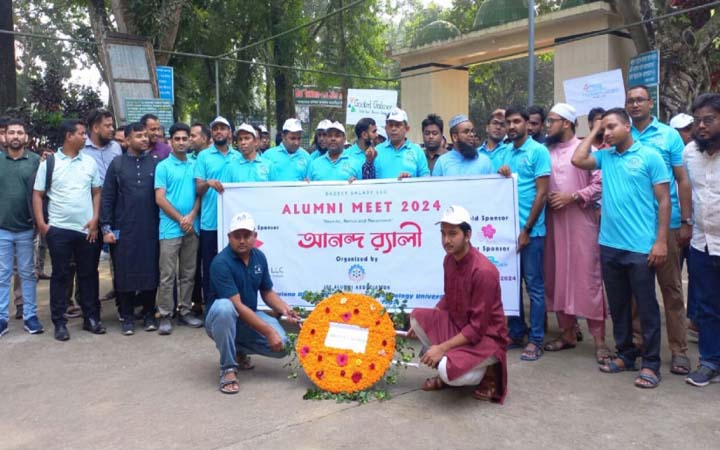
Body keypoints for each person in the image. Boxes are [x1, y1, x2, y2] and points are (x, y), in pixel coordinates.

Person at [572, 108, 670, 389]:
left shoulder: (650, 156)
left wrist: (661, 240)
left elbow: (664, 201)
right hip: (609, 244)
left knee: (647, 307)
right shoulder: (605, 156)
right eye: (605, 128)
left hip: (640, 247)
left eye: (612, 126)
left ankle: (651, 364)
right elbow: (577, 159)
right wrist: (594, 131)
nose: (607, 132)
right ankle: (626, 355)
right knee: (618, 306)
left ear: (628, 126)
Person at [409, 205, 508, 403]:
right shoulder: (449, 260)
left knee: (446, 370)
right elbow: (448, 296)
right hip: (459, 324)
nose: (446, 240)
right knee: (416, 318)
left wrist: (440, 348)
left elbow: (477, 329)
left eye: (453, 234)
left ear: (467, 234)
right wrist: (427, 324)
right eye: (443, 234)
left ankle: (489, 372)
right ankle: (454, 360)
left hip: (486, 338)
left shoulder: (483, 272)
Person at [627, 85, 693, 376]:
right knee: (637, 291)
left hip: (667, 224)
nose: (635, 104)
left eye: (640, 99)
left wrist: (686, 221)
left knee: (671, 289)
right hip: (633, 227)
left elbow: (682, 180)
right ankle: (639, 343)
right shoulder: (622, 136)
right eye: (630, 101)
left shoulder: (668, 135)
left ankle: (679, 350)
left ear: (650, 103)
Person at [204, 212, 301, 394]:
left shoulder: (259, 257)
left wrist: (285, 310)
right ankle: (228, 369)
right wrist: (268, 331)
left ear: (255, 236)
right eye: (237, 236)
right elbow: (237, 307)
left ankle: (238, 349)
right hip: (221, 319)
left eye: (247, 236)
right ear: (229, 237)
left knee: (283, 346)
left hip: (248, 315)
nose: (242, 241)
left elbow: (267, 291)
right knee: (225, 307)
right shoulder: (220, 263)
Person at [541, 104, 608, 361]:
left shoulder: (586, 149)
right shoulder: (545, 152)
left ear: (567, 123)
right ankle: (567, 333)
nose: (548, 126)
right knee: (557, 277)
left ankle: (600, 341)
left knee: (588, 280)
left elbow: (600, 183)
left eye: (552, 121)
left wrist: (573, 196)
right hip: (553, 225)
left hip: (581, 224)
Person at [33, 119, 104, 341]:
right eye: (82, 133)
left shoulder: (89, 163)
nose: (85, 137)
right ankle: (59, 322)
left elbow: (96, 192)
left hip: (86, 230)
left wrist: (95, 220)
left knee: (89, 275)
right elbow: (37, 194)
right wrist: (43, 225)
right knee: (60, 276)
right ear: (68, 136)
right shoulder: (50, 163)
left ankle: (91, 318)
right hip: (59, 229)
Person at [497, 106, 551, 361]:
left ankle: (536, 339)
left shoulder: (538, 151)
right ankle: (516, 332)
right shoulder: (505, 152)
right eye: (508, 122)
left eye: (516, 121)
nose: (511, 126)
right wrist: (502, 174)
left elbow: (542, 193)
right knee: (511, 286)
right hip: (508, 232)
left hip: (532, 231)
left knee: (534, 285)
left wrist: (527, 229)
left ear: (528, 124)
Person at [101, 122, 160, 335]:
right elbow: (107, 198)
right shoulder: (117, 165)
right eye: (139, 136)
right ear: (127, 140)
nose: (144, 139)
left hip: (150, 229)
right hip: (122, 229)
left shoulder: (156, 163)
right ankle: (126, 316)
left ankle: (148, 314)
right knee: (124, 273)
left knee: (150, 272)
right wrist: (106, 229)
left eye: (146, 135)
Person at [683, 93, 720, 387]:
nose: (702, 126)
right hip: (701, 243)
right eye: (698, 121)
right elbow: (687, 192)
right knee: (706, 306)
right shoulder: (689, 154)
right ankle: (710, 361)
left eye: (709, 120)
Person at [154, 123, 203, 335]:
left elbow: (201, 193)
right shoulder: (163, 167)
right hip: (169, 228)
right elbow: (159, 198)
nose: (182, 142)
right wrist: (180, 218)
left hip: (192, 227)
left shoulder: (195, 164)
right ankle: (165, 314)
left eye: (185, 138)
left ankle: (184, 311)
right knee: (167, 274)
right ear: (170, 141)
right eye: (177, 139)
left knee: (188, 273)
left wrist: (191, 216)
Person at [0, 119, 43, 337]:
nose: (15, 136)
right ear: (4, 136)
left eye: (19, 132)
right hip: (2, 230)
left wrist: (39, 222)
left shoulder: (36, 161)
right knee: (2, 275)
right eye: (11, 132)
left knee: (27, 274)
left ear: (25, 137)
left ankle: (30, 316)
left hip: (27, 229)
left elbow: (42, 194)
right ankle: (1, 318)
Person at [194, 116, 240, 302]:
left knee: (234, 264)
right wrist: (208, 183)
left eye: (223, 128)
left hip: (233, 222)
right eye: (215, 129)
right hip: (210, 222)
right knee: (211, 265)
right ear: (211, 133)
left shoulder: (238, 156)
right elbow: (198, 188)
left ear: (230, 133)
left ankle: (235, 305)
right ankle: (210, 306)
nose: (219, 131)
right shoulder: (204, 156)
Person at [374, 107, 430, 179]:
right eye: (390, 125)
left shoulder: (417, 151)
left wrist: (411, 180)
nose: (393, 129)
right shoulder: (377, 150)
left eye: (397, 125)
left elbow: (425, 177)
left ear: (407, 129)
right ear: (386, 128)